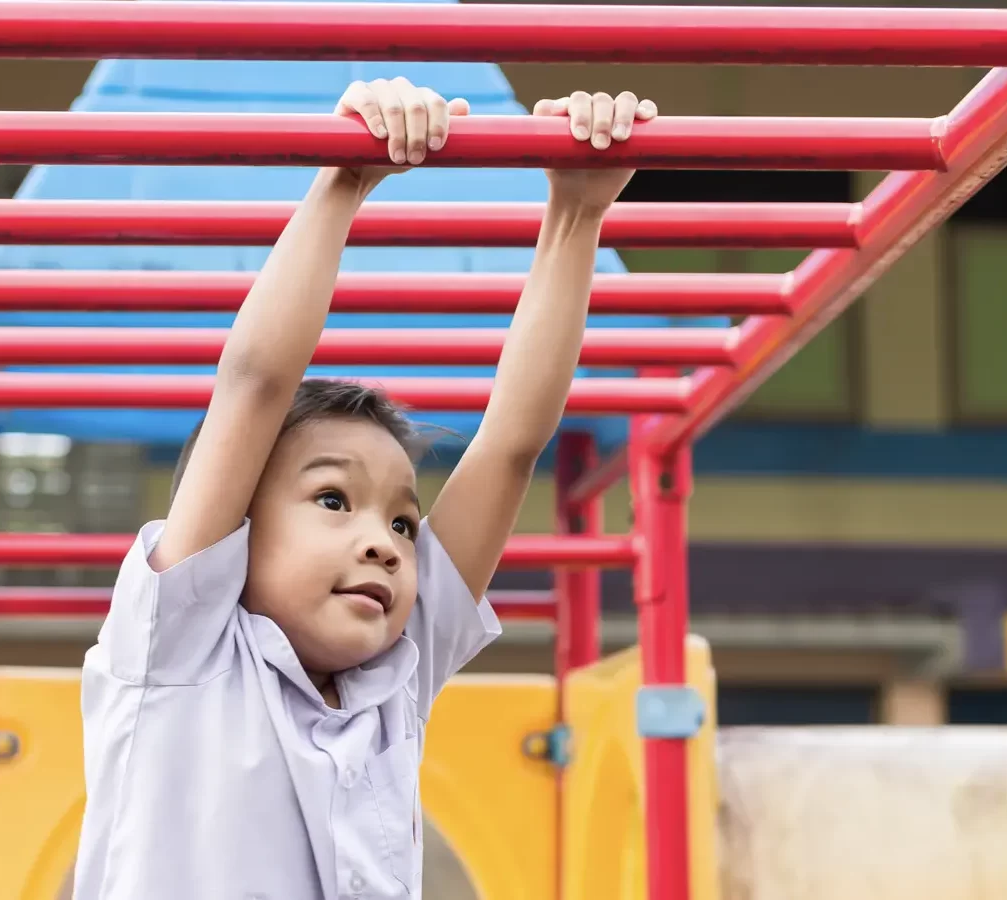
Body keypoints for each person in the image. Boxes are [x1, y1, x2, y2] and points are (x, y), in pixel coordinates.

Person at [71, 77, 657, 900]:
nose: (384, 540)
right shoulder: (181, 646)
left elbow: (512, 444)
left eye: (405, 524)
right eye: (334, 501)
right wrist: (343, 180)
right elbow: (255, 385)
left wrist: (576, 215)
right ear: (235, 529)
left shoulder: (395, 678)